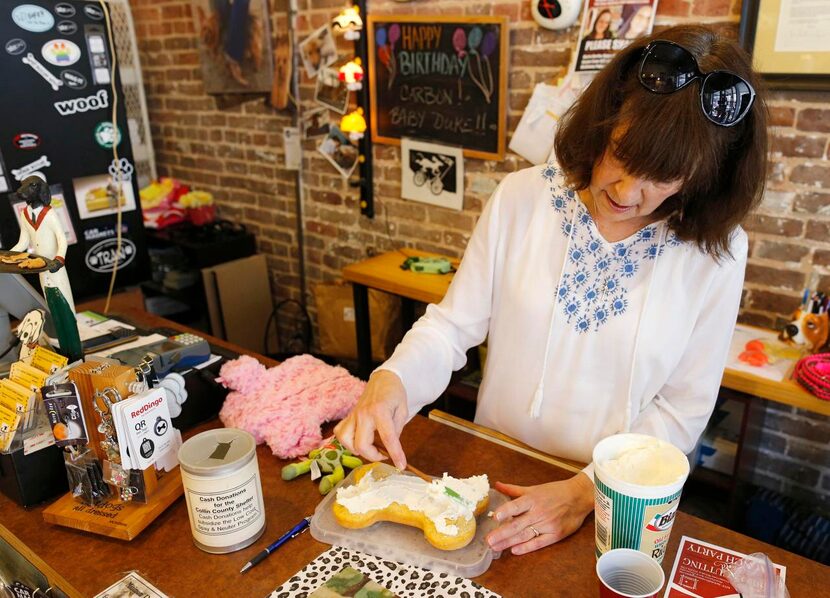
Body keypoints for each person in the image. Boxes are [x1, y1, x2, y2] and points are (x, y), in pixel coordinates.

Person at [335, 25, 767, 555]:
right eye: (622, 155)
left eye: (664, 177)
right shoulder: (524, 197)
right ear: (604, 121)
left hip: (612, 504)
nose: (628, 193)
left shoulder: (716, 254)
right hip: (491, 468)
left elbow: (682, 407)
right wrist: (392, 380)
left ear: (705, 176)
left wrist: (586, 491)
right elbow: (452, 326)